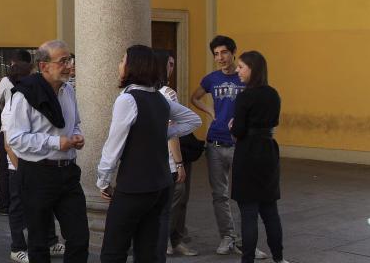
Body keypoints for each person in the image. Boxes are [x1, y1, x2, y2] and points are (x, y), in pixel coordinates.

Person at [96, 45, 201, 263]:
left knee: (114, 250)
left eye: (123, 60)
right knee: (148, 250)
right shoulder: (160, 99)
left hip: (135, 186)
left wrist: (103, 181)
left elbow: (113, 146)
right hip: (160, 185)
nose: (119, 64)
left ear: (133, 65)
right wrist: (160, 133)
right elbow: (194, 120)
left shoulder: (127, 99)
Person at [3, 40, 89, 263]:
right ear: (44, 66)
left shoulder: (68, 90)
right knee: (39, 242)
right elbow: (15, 139)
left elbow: (75, 123)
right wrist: (55, 142)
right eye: (63, 61)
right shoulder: (24, 95)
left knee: (79, 238)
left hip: (68, 173)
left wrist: (76, 137)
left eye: (70, 59)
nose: (70, 65)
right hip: (37, 174)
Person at [189, 36, 267, 258]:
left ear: (233, 53)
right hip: (215, 142)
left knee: (245, 194)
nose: (220, 57)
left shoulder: (246, 77)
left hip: (240, 144)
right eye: (215, 54)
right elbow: (195, 98)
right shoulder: (211, 79)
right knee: (219, 194)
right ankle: (227, 237)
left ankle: (246, 242)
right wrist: (211, 113)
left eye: (224, 52)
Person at [0, 54, 65, 263]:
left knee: (44, 204)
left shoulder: (33, 98)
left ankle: (51, 241)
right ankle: (17, 246)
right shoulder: (14, 104)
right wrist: (22, 169)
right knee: (19, 207)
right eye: (35, 75)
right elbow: (9, 145)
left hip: (35, 164)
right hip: (20, 166)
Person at [230, 51, 289, 263]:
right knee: (270, 210)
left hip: (247, 153)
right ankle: (279, 258)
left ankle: (247, 260)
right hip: (268, 151)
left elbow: (238, 130)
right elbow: (273, 122)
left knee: (248, 212)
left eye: (241, 67)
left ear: (252, 69)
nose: (237, 71)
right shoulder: (273, 94)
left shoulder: (245, 96)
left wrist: (233, 125)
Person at [156, 50, 199, 257]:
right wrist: (179, 163)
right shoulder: (168, 93)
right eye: (169, 64)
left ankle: (171, 240)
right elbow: (172, 131)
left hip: (153, 159)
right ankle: (167, 242)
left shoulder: (135, 92)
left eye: (173, 64)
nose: (171, 69)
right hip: (170, 160)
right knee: (175, 201)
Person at [0, 50, 33, 216]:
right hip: (27, 127)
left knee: (6, 167)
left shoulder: (5, 81)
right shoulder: (33, 82)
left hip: (7, 127)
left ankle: (5, 203)